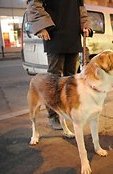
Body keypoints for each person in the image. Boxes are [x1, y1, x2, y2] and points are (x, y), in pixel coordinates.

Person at [26, 0, 93, 129]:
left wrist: (86, 25)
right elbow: (34, 3)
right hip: (53, 35)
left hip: (73, 36)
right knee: (53, 80)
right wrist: (42, 27)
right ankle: (53, 116)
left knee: (72, 79)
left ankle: (72, 111)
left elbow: (81, 9)